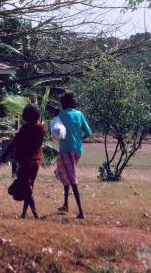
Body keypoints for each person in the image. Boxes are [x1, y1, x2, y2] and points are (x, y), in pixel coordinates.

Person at [0, 104, 45, 219]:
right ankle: (24, 214)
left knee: (27, 190)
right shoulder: (41, 128)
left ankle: (35, 215)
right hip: (35, 162)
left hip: (25, 161)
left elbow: (14, 143)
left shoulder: (25, 129)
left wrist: (4, 156)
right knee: (29, 188)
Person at [54, 91, 92, 219]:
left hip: (66, 150)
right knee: (66, 174)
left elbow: (57, 131)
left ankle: (81, 212)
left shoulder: (62, 114)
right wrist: (79, 138)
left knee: (72, 179)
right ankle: (65, 204)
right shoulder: (79, 114)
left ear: (63, 103)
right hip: (77, 150)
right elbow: (88, 132)